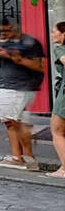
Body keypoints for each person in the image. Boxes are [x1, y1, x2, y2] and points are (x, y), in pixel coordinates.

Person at [0, 17, 46, 170]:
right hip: (6, 86)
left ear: (15, 28)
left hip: (18, 87)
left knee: (11, 122)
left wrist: (11, 56)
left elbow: (41, 66)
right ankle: (28, 159)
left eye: (4, 31)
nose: (1, 35)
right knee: (17, 122)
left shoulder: (29, 42)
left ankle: (18, 158)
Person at [48, 21, 65, 177]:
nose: (52, 34)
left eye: (55, 31)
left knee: (57, 130)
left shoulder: (59, 48)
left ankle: (64, 169)